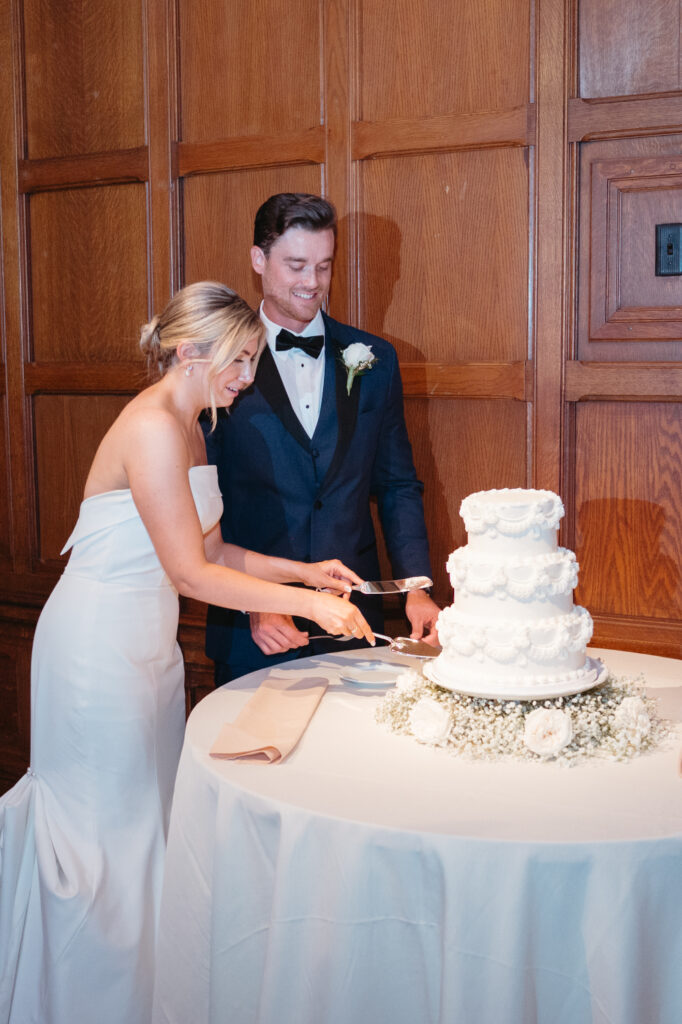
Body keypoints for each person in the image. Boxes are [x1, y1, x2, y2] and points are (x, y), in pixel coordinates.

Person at [0, 281, 373, 1024]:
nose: (245, 377)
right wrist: (309, 607)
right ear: (187, 352)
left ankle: (144, 997)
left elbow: (214, 548)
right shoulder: (148, 428)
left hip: (149, 650)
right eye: (237, 362)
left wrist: (306, 572)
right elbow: (188, 573)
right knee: (102, 834)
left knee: (149, 822)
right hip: (94, 653)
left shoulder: (195, 425)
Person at [205, 193, 440, 684]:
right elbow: (204, 508)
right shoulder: (218, 364)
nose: (312, 282)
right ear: (258, 260)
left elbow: (397, 484)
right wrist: (256, 603)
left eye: (324, 266)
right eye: (296, 265)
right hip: (255, 630)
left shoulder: (376, 359)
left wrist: (416, 588)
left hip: (357, 623)